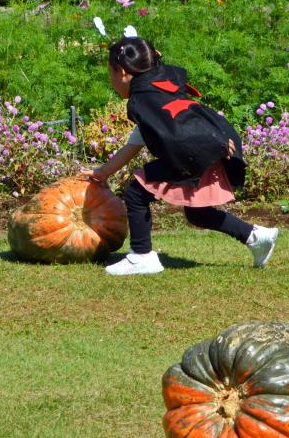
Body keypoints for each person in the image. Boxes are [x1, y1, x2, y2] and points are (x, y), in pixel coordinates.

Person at [83, 36, 277, 275]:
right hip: (200, 150)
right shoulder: (157, 88)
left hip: (197, 151)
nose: (111, 81)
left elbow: (187, 123)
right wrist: (103, 173)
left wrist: (212, 142)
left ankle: (142, 256)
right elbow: (134, 145)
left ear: (122, 72)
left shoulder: (143, 99)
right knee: (197, 212)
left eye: (110, 74)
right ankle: (257, 237)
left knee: (136, 192)